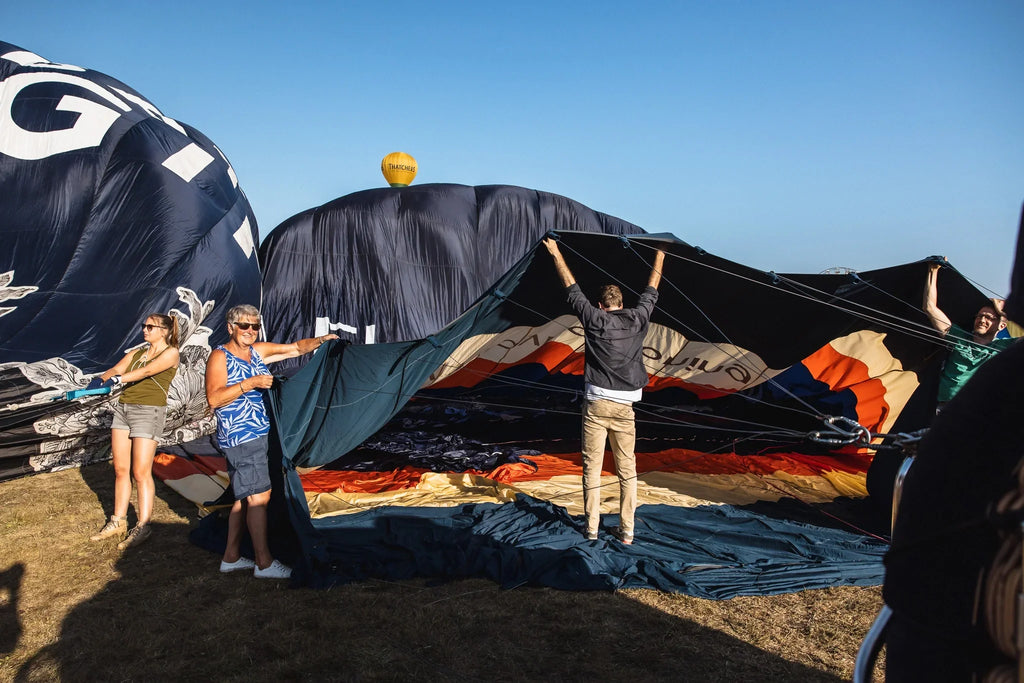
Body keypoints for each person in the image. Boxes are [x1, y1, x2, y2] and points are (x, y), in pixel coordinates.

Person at [542, 237, 665, 544]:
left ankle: (592, 528)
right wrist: (661, 254)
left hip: (596, 408)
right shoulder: (638, 317)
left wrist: (556, 252)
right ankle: (627, 531)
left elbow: (571, 288)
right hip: (625, 411)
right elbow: (653, 287)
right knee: (628, 471)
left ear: (601, 306)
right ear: (622, 304)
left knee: (591, 470)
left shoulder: (595, 319)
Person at [205, 304, 338, 579]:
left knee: (244, 498)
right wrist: (251, 382)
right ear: (231, 327)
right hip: (240, 435)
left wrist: (321, 341)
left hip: (258, 433)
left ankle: (230, 557)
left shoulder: (257, 351)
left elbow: (295, 348)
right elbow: (214, 398)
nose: (250, 331)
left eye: (255, 326)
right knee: (259, 497)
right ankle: (264, 563)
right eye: (244, 326)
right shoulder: (220, 357)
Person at [88, 313, 180, 549]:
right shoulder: (136, 353)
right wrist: (100, 380)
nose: (145, 330)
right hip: (124, 409)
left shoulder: (170, 353)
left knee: (141, 471)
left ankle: (143, 525)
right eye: (144, 326)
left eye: (151, 326)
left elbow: (146, 372)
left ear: (164, 331)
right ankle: (117, 521)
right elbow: (115, 369)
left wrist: (117, 381)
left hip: (149, 412)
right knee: (120, 469)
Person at [923, 261, 1016, 404]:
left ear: (1002, 326)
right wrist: (933, 271)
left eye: (989, 317)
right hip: (939, 409)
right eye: (979, 316)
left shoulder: (1005, 347)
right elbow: (929, 308)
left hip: (971, 412)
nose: (982, 320)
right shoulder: (959, 336)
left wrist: (1006, 312)